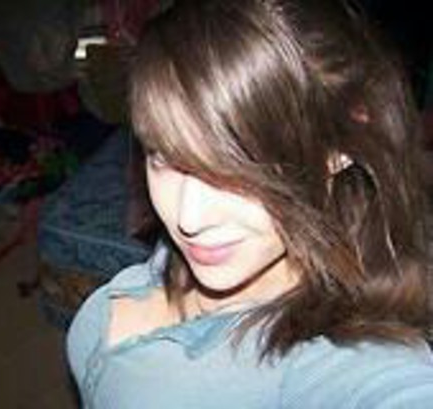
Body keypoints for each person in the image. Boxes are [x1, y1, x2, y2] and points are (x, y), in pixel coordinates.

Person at [66, 0, 433, 407]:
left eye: (237, 169)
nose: (188, 218)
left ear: (339, 149)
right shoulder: (203, 253)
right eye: (165, 156)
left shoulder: (348, 370)